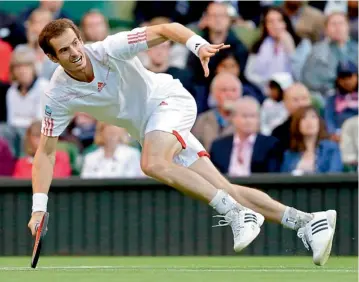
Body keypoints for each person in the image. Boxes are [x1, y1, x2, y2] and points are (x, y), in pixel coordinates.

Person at [28, 18, 336, 266]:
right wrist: (38, 207)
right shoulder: (58, 95)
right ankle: (308, 222)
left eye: (76, 43)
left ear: (81, 40)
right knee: (224, 189)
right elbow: (45, 153)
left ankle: (235, 214)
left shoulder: (110, 48)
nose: (75, 52)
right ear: (53, 58)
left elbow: (164, 30)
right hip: (150, 127)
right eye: (65, 51)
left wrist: (197, 44)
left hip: (168, 102)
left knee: (151, 163)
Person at [244, 7, 311, 92]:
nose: (275, 25)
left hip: (292, 90)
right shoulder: (258, 45)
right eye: (270, 21)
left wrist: (291, 50)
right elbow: (249, 73)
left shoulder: (303, 44)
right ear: (265, 25)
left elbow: (302, 75)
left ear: (286, 22)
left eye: (279, 20)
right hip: (263, 90)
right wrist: (267, 84)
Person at [210, 97, 282, 176]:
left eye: (253, 116)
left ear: (259, 119)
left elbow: (272, 176)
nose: (248, 120)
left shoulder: (270, 144)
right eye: (244, 116)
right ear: (233, 118)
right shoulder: (218, 145)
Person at [301, 12, 358, 93]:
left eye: (341, 23)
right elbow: (310, 80)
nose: (338, 27)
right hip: (326, 95)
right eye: (333, 24)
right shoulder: (317, 51)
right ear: (325, 29)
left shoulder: (356, 48)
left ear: (348, 27)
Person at [281, 106, 343, 174]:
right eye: (303, 117)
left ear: (319, 122)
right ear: (297, 124)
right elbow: (284, 180)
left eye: (313, 117)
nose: (309, 121)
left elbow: (334, 176)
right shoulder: (289, 154)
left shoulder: (331, 149)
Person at [192, 72, 241, 152]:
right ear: (214, 93)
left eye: (233, 90)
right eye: (224, 90)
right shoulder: (203, 120)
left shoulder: (245, 120)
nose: (229, 94)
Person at [272, 83, 312, 151]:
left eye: (304, 98)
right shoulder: (278, 133)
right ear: (285, 103)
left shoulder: (321, 127)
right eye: (295, 100)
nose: (301, 104)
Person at [324, 61, 358, 140]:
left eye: (349, 77)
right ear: (338, 80)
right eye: (343, 78)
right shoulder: (332, 98)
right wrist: (333, 133)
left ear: (357, 76)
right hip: (340, 136)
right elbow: (329, 118)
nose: (347, 81)